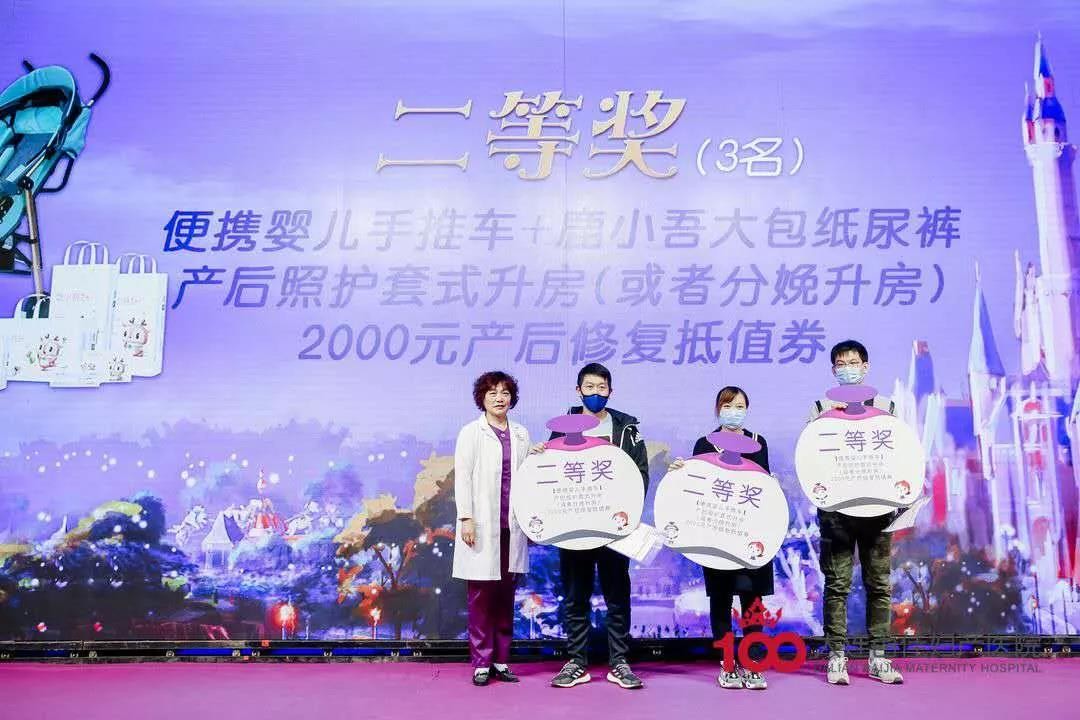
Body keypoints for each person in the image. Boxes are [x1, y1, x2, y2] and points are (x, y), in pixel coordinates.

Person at [535, 362, 649, 690]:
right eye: (589, 387)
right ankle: (576, 662)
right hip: (574, 527)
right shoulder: (563, 427)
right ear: (578, 390)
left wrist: (626, 511)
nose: (596, 393)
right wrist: (539, 456)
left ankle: (619, 662)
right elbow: (550, 474)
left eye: (602, 388)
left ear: (610, 391)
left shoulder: (627, 428)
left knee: (617, 595)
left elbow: (640, 472)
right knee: (575, 595)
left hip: (613, 528)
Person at [809, 340, 904, 686]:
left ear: (866, 367)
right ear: (833, 370)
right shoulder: (821, 408)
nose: (847, 368)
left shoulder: (886, 407)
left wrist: (902, 493)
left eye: (853, 362)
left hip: (878, 510)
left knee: (879, 584)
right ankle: (836, 657)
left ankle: (878, 657)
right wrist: (828, 419)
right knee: (837, 585)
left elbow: (900, 454)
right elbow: (812, 457)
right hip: (837, 513)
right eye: (840, 364)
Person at [669, 386, 773, 690]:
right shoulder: (705, 443)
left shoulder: (758, 442)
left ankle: (753, 663)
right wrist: (680, 472)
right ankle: (728, 664)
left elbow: (763, 486)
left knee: (752, 601)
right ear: (718, 410)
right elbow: (696, 486)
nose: (734, 411)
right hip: (716, 534)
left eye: (739, 406)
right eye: (727, 406)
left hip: (751, 534)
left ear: (747, 410)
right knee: (721, 600)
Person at [452, 371, 532, 686]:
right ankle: (482, 662)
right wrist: (466, 517)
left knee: (505, 595)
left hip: (512, 526)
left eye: (505, 392)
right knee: (481, 596)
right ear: (481, 399)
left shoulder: (522, 434)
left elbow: (529, 476)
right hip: (482, 526)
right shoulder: (472, 433)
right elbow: (463, 478)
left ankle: (501, 659)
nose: (500, 398)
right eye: (492, 393)